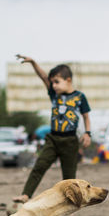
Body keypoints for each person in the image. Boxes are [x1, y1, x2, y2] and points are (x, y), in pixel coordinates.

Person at [13, 55, 92, 203]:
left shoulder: (80, 97)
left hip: (70, 141)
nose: (53, 85)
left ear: (68, 80)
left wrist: (87, 134)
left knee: (69, 176)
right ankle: (26, 195)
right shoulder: (54, 95)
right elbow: (43, 77)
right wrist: (33, 63)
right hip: (53, 139)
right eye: (52, 82)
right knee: (39, 166)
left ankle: (72, 203)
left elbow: (86, 117)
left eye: (57, 82)